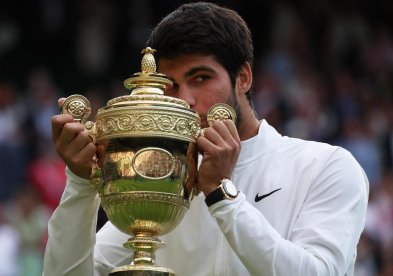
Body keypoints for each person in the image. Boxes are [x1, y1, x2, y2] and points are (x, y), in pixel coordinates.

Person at [44, 2, 369, 275]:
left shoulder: (326, 166)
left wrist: (220, 195)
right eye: (169, 85)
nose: (184, 99)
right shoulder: (164, 183)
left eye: (200, 78)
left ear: (243, 78)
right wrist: (81, 184)